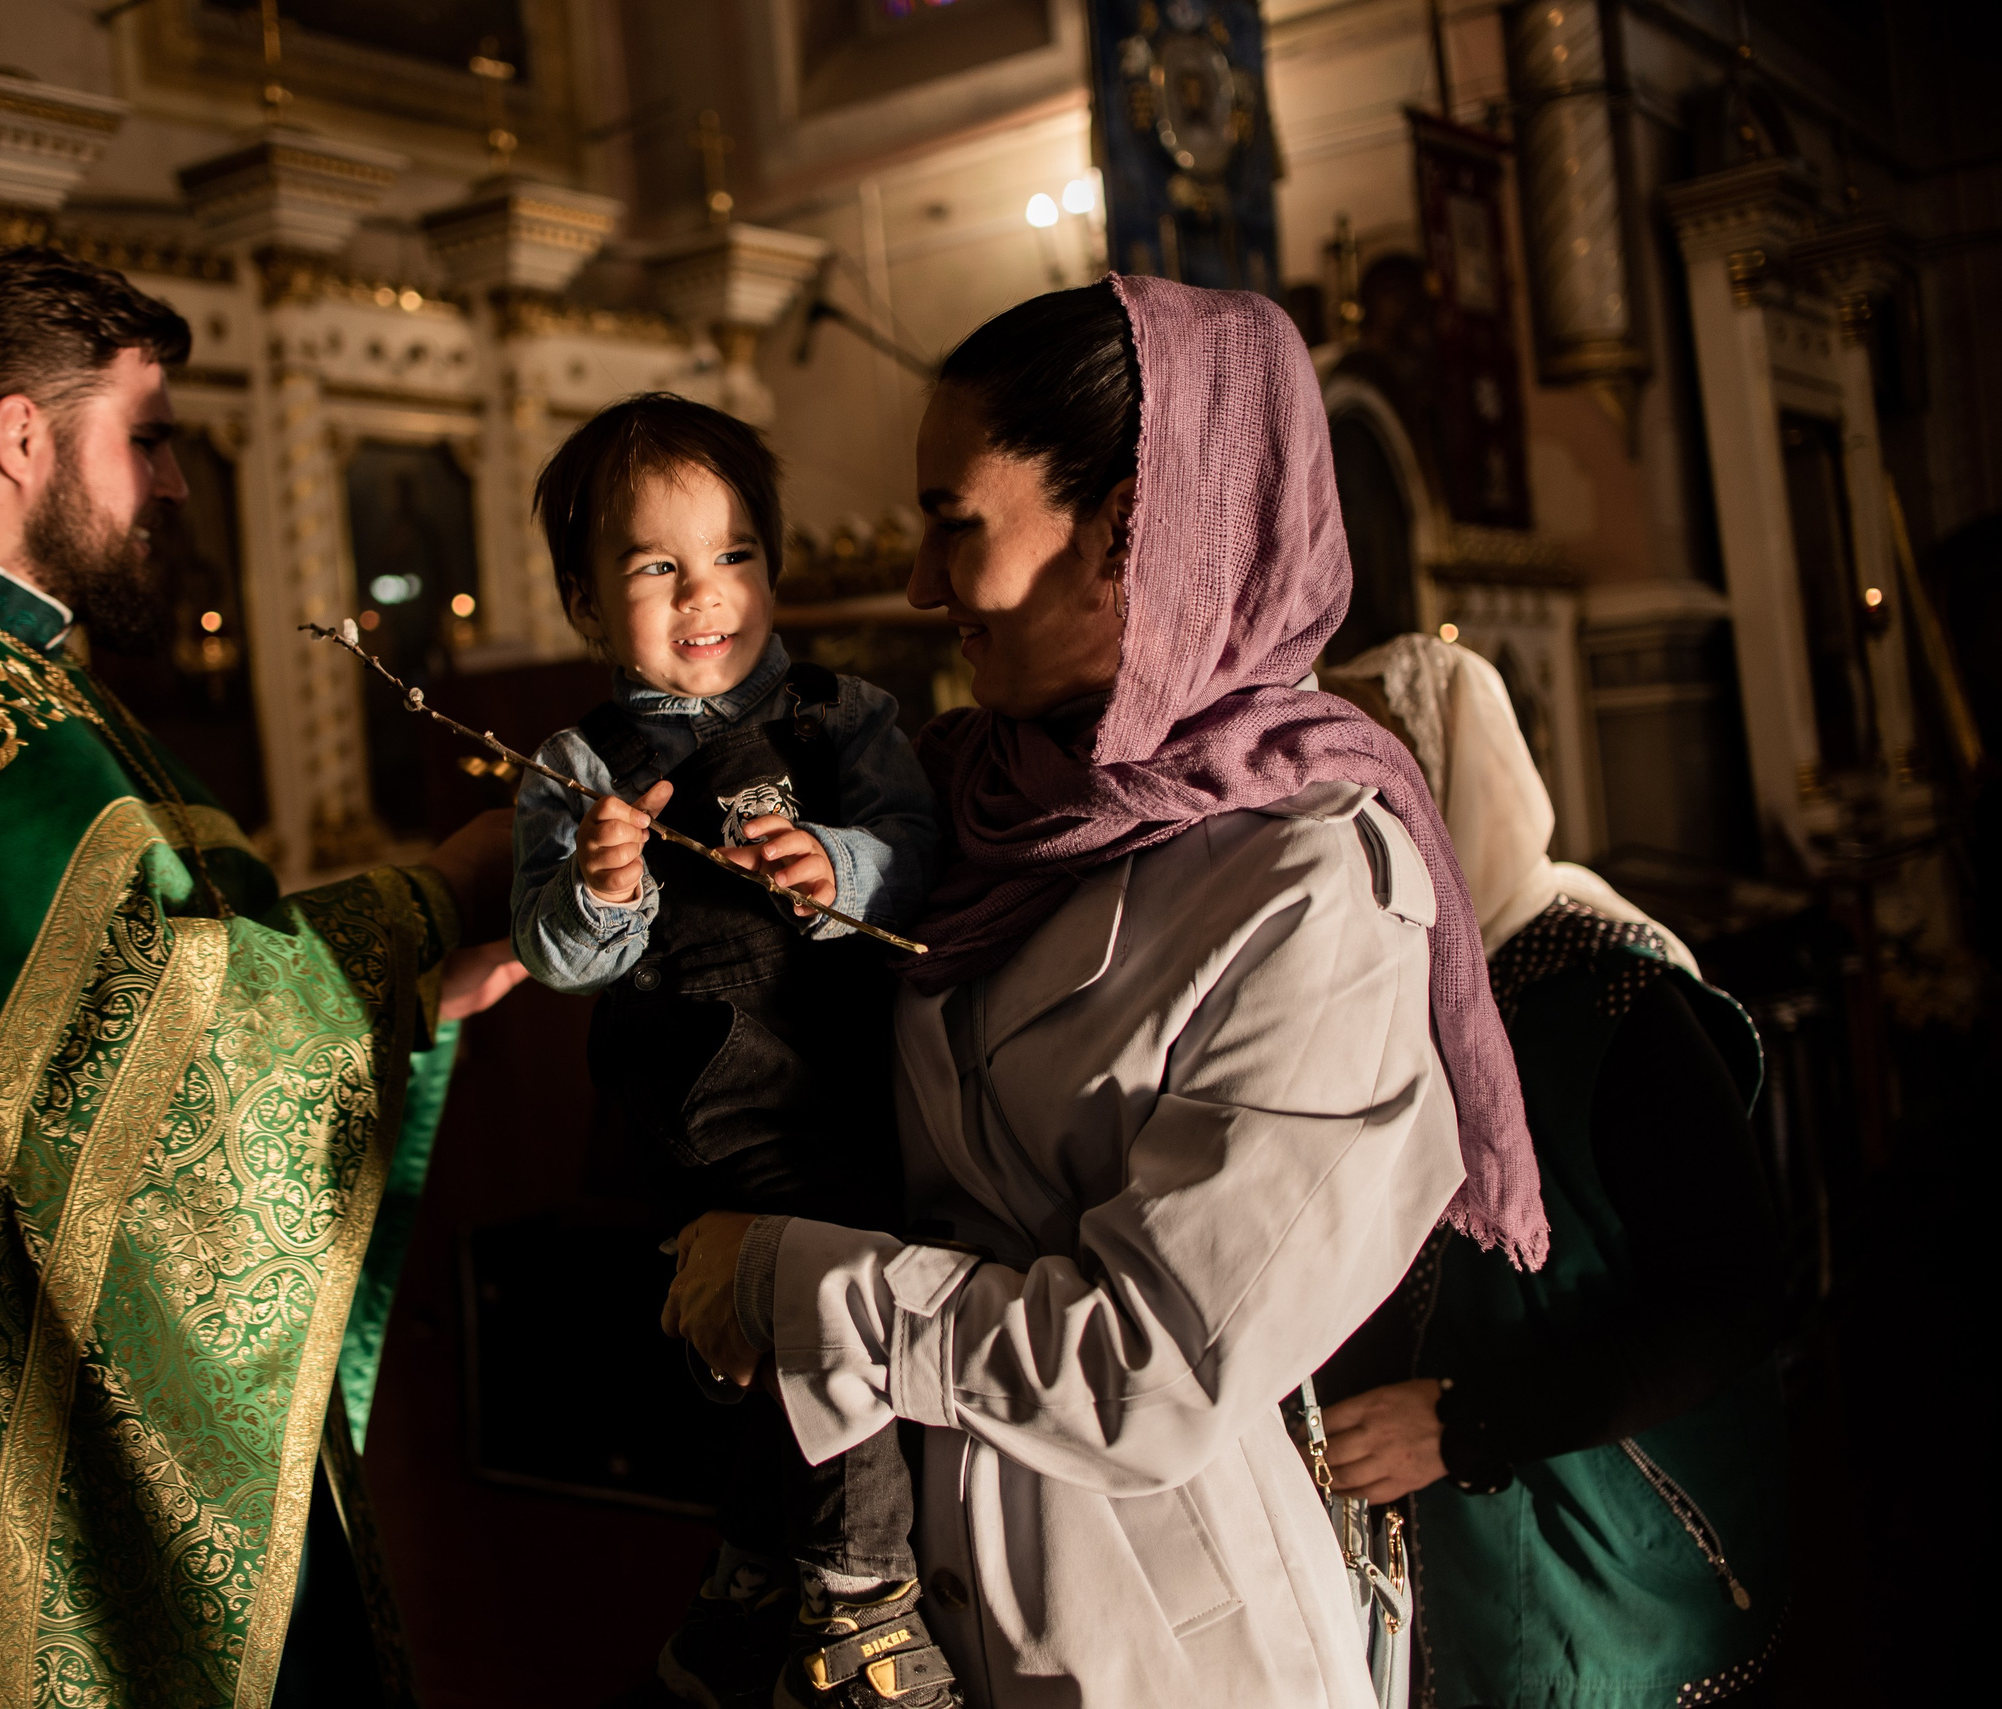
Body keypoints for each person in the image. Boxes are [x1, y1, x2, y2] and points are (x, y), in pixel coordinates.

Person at [662, 276, 1549, 1707]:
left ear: (1131, 530)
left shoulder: (1313, 883)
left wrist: (791, 1284)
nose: (919, 587)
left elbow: (1148, 1367)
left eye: (958, 527)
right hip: (896, 1605)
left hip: (1149, 1629)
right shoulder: (969, 801)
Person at [0, 246, 525, 1709]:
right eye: (146, 438)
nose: (179, 481)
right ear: (22, 435)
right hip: (4, 1401)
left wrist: (409, 991)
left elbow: (153, 977)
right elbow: (186, 1039)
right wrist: (445, 884)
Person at [511, 393, 952, 1709]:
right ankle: (862, 1596)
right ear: (589, 605)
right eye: (658, 567)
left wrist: (845, 870)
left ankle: (750, 1575)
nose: (706, 595)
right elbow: (555, 955)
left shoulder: (845, 719)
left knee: (792, 1341)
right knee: (822, 1324)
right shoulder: (579, 764)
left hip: (849, 1076)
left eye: (736, 555)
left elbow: (924, 859)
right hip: (707, 1107)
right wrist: (601, 884)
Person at [1314, 634, 1789, 1708]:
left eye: (1375, 788)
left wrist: (1462, 1421)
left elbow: (1731, 1297)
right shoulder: (1380, 986)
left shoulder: (1612, 996)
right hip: (1435, 1565)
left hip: (1610, 1551)